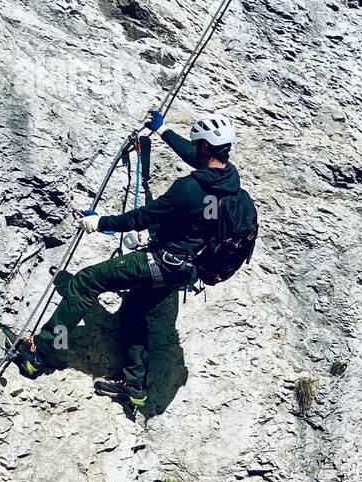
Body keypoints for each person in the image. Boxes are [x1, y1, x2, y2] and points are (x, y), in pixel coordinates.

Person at [13, 111, 241, 407]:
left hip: (160, 262)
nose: (194, 147)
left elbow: (143, 216)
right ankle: (135, 387)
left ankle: (41, 353)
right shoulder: (228, 180)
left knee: (85, 282)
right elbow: (196, 158)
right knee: (134, 311)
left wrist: (101, 223)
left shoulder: (189, 189)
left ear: (207, 147)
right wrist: (164, 131)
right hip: (186, 269)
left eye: (197, 143)